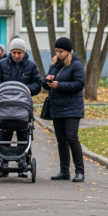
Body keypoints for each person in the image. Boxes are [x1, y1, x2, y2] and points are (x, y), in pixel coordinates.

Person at [0, 38, 42, 178]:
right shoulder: (2, 64)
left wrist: (29, 89)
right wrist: (0, 89)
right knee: (5, 135)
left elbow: (37, 83)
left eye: (19, 52)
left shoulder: (31, 66)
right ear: (11, 52)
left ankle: (23, 163)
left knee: (23, 135)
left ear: (24, 52)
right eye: (14, 52)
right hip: (5, 106)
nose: (17, 55)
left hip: (22, 108)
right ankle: (3, 165)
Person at [42, 37, 86, 183]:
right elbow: (45, 83)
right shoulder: (55, 64)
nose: (58, 54)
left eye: (61, 51)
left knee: (72, 137)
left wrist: (59, 85)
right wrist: (47, 80)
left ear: (68, 51)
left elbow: (79, 84)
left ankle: (80, 171)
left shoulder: (76, 65)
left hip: (72, 107)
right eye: (56, 51)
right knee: (61, 140)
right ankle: (64, 171)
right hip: (57, 107)